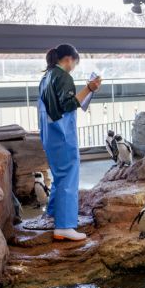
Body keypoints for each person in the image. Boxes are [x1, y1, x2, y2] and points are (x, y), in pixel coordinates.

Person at [39, 44, 101, 241]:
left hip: (50, 135)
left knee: (59, 176)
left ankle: (52, 214)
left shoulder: (46, 77)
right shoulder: (63, 76)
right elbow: (68, 105)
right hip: (62, 135)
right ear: (68, 59)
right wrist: (89, 88)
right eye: (74, 63)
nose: (73, 67)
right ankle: (64, 226)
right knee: (68, 177)